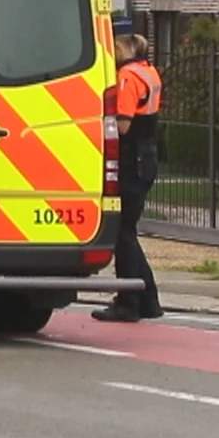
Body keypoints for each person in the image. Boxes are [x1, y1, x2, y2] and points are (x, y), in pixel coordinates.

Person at [95, 33, 164, 322]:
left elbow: (123, 125)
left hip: (131, 158)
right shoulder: (149, 71)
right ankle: (148, 300)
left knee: (123, 233)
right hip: (147, 156)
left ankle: (128, 302)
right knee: (129, 232)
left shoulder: (126, 76)